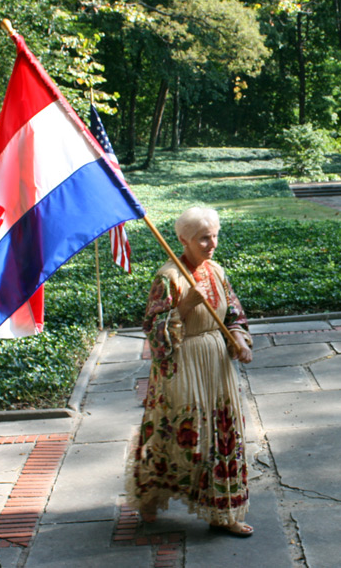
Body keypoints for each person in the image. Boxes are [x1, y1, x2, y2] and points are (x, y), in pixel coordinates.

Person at [126, 206, 254, 537]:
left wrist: (240, 341)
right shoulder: (168, 277)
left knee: (223, 435)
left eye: (214, 236)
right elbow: (154, 333)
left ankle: (224, 511)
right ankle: (151, 497)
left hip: (217, 365)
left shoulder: (218, 271)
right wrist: (185, 305)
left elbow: (234, 315)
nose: (211, 244)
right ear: (183, 240)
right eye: (203, 238)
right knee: (177, 435)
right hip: (181, 366)